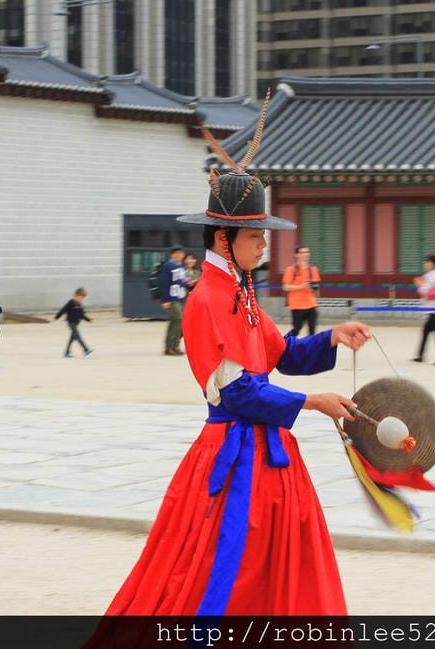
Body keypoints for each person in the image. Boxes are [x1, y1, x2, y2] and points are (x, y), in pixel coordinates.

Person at [102, 157, 371, 617]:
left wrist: (332, 338)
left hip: (266, 450)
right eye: (255, 235)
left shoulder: (240, 294)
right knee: (222, 564)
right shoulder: (207, 298)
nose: (264, 244)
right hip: (232, 454)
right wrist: (313, 402)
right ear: (223, 240)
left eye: (264, 235)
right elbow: (237, 392)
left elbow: (282, 354)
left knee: (273, 555)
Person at [412, 253, 435, 365]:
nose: (426, 264)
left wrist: (419, 284)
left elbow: (425, 290)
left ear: (433, 263)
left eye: (428, 262)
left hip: (434, 308)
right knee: (429, 330)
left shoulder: (430, 275)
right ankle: (421, 355)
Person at [282, 245, 321, 336]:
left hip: (311, 304)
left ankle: (311, 349)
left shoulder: (313, 269)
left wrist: (315, 290)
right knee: (297, 329)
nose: (306, 254)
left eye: (307, 252)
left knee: (312, 330)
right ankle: (285, 343)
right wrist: (301, 286)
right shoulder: (291, 270)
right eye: (303, 252)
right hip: (297, 305)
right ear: (296, 255)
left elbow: (316, 287)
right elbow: (286, 287)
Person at [159, 244, 187, 356]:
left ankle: (172, 346)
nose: (178, 255)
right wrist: (165, 300)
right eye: (175, 253)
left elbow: (181, 282)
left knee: (177, 322)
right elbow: (164, 283)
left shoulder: (181, 266)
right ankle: (172, 346)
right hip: (172, 298)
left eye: (180, 253)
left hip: (180, 298)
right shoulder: (168, 266)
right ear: (171, 255)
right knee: (177, 321)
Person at [55, 286, 93, 357]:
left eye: (83, 298)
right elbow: (63, 310)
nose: (82, 299)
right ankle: (85, 349)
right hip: (71, 323)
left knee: (72, 338)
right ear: (77, 296)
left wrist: (88, 319)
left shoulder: (80, 305)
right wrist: (57, 316)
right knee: (78, 336)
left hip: (76, 323)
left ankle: (66, 352)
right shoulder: (71, 302)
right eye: (81, 297)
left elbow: (82, 315)